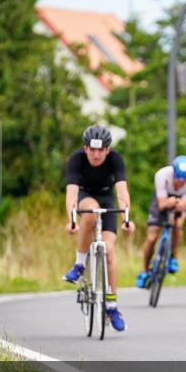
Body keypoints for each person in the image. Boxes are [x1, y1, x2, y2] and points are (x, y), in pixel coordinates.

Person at [63, 125, 135, 332]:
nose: (96, 154)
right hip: (84, 196)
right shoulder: (76, 159)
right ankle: (79, 264)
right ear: (85, 149)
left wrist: (126, 218)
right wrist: (71, 219)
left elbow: (121, 191)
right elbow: (71, 193)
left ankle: (112, 306)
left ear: (107, 149)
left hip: (106, 197)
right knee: (91, 212)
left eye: (100, 150)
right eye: (91, 150)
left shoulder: (116, 159)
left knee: (110, 251)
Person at [136, 155, 186, 288]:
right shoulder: (162, 175)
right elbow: (161, 205)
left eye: (184, 179)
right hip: (162, 199)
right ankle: (144, 270)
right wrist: (168, 202)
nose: (181, 182)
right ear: (173, 173)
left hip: (180, 201)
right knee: (152, 236)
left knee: (178, 225)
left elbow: (183, 204)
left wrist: (177, 205)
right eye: (178, 178)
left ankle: (173, 257)